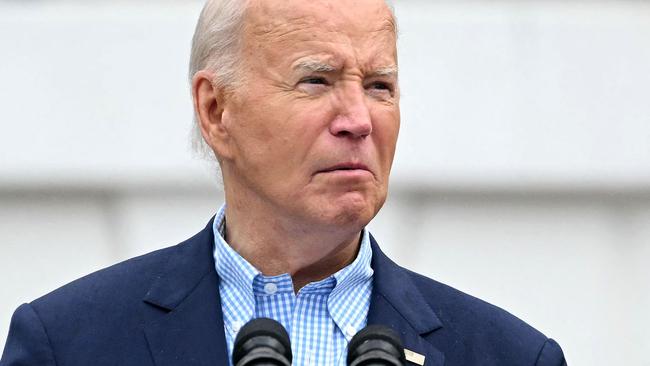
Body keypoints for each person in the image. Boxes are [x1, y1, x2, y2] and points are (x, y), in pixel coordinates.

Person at [0, 0, 567, 365]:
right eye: (316, 80)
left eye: (379, 86)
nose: (358, 119)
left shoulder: (509, 355)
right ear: (217, 109)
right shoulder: (67, 342)